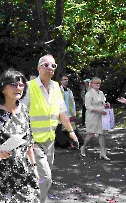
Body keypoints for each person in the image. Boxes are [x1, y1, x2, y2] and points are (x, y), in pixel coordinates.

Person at [22, 55, 79, 203]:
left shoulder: (55, 87)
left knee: (45, 179)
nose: (49, 68)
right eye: (46, 65)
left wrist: (71, 132)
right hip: (33, 141)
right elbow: (19, 113)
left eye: (53, 66)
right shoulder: (29, 87)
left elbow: (62, 112)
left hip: (49, 140)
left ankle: (32, 197)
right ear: (38, 68)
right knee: (45, 177)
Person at [0, 69, 40, 202]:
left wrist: (34, 167)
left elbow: (29, 141)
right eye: (14, 84)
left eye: (21, 85)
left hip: (23, 172)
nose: (18, 88)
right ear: (3, 88)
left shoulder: (24, 109)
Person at [80, 77, 111, 160]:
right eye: (96, 83)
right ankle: (83, 147)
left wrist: (106, 105)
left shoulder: (101, 93)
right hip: (92, 116)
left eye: (99, 83)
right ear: (92, 84)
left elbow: (102, 103)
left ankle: (103, 153)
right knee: (91, 134)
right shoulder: (89, 93)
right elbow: (88, 106)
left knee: (102, 134)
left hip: (101, 115)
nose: (98, 85)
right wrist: (98, 110)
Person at [55, 75, 78, 148]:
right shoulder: (58, 90)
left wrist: (73, 113)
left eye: (67, 80)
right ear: (61, 81)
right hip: (61, 111)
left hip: (69, 112)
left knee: (69, 127)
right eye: (64, 79)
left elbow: (72, 102)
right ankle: (61, 143)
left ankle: (70, 143)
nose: (66, 81)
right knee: (60, 127)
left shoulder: (69, 91)